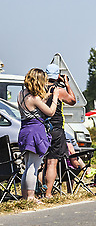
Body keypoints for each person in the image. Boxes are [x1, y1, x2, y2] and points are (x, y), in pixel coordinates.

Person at [17, 68, 59, 203]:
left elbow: (35, 104)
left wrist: (47, 95)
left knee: (28, 164)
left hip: (25, 130)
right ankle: (30, 197)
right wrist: (55, 96)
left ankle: (25, 196)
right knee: (33, 167)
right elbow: (50, 112)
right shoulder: (34, 98)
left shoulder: (21, 94)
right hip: (35, 132)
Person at [43, 64, 77, 198]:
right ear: (57, 75)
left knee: (41, 163)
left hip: (42, 127)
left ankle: (39, 192)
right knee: (52, 162)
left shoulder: (40, 89)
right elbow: (73, 101)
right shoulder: (58, 90)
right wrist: (67, 84)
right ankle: (48, 193)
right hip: (56, 128)